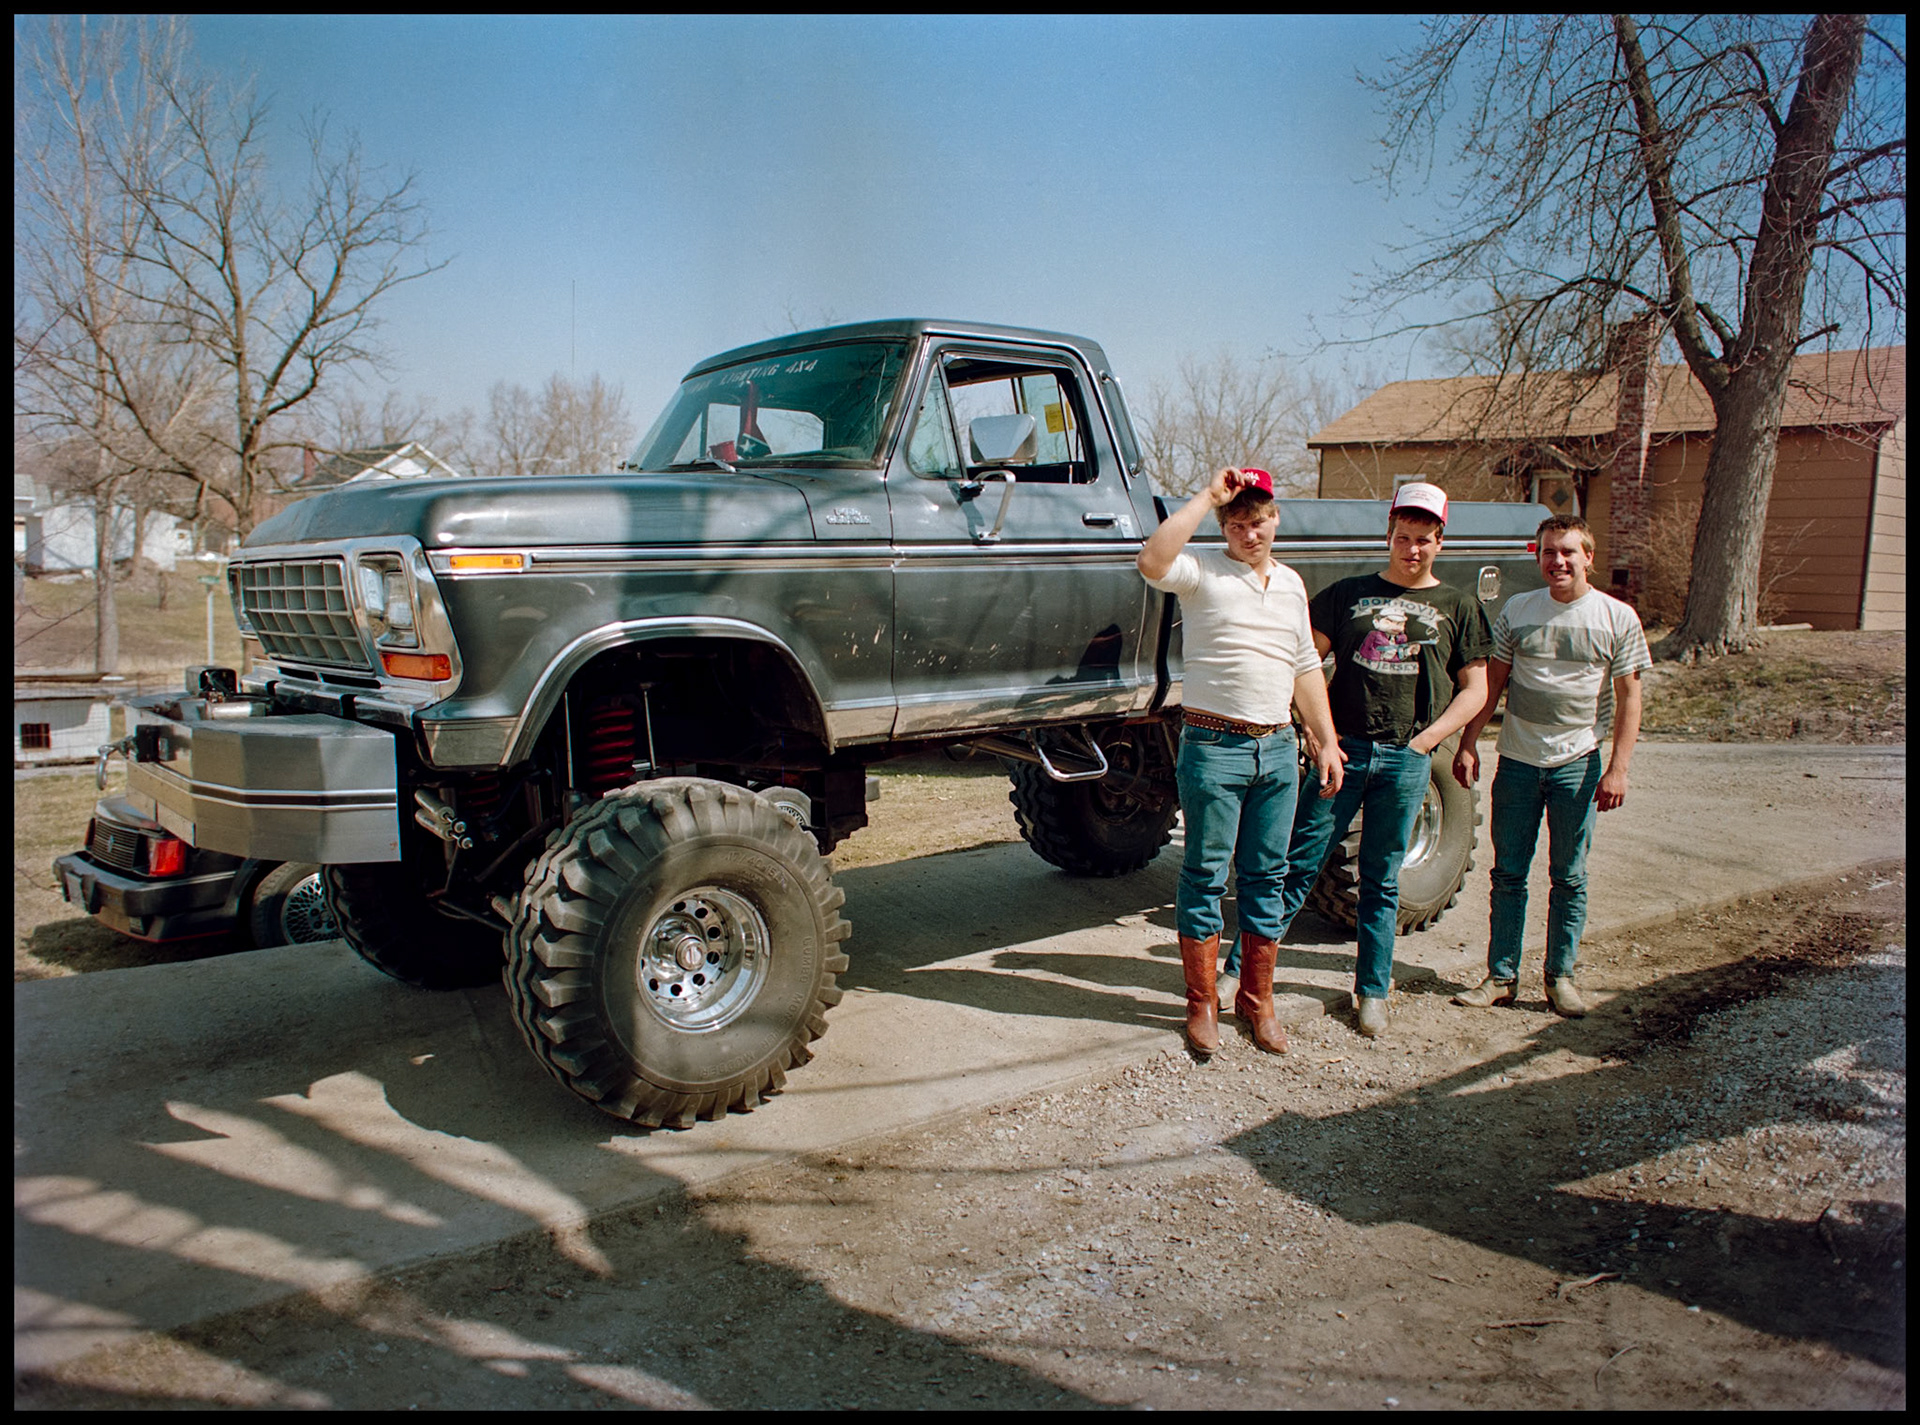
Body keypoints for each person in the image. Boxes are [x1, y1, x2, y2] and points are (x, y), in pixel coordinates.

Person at [1231, 481, 1490, 1039]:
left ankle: (1372, 991)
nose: (1411, 549)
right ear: (1389, 536)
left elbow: (1476, 690)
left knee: (1382, 880)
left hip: (1407, 759)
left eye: (1423, 539)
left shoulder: (1458, 606)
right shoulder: (1348, 594)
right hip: (1343, 755)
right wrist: (1313, 732)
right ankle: (1242, 975)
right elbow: (1303, 662)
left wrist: (1428, 742)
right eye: (1402, 537)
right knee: (1296, 865)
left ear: (1440, 541)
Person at [1137, 466, 1344, 1057]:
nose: (1249, 535)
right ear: (1224, 526)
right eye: (1236, 525)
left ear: (1275, 519)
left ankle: (1257, 1001)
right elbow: (1151, 561)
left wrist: (1325, 740)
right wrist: (1206, 497)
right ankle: (1202, 1002)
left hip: (1279, 748)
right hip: (1213, 745)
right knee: (1204, 874)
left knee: (1266, 877)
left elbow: (1304, 665)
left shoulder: (1290, 585)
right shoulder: (1202, 572)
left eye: (1258, 522)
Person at [1450, 513, 1650, 1016]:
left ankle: (1561, 978)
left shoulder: (1617, 617)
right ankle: (1500, 977)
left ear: (1588, 556)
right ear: (1535, 555)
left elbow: (1630, 700)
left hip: (1578, 766)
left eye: (1567, 552)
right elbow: (1491, 686)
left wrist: (1618, 768)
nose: (1557, 561)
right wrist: (1469, 743)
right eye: (1548, 552)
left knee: (1569, 877)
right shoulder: (1517, 609)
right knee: (1508, 875)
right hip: (1518, 762)